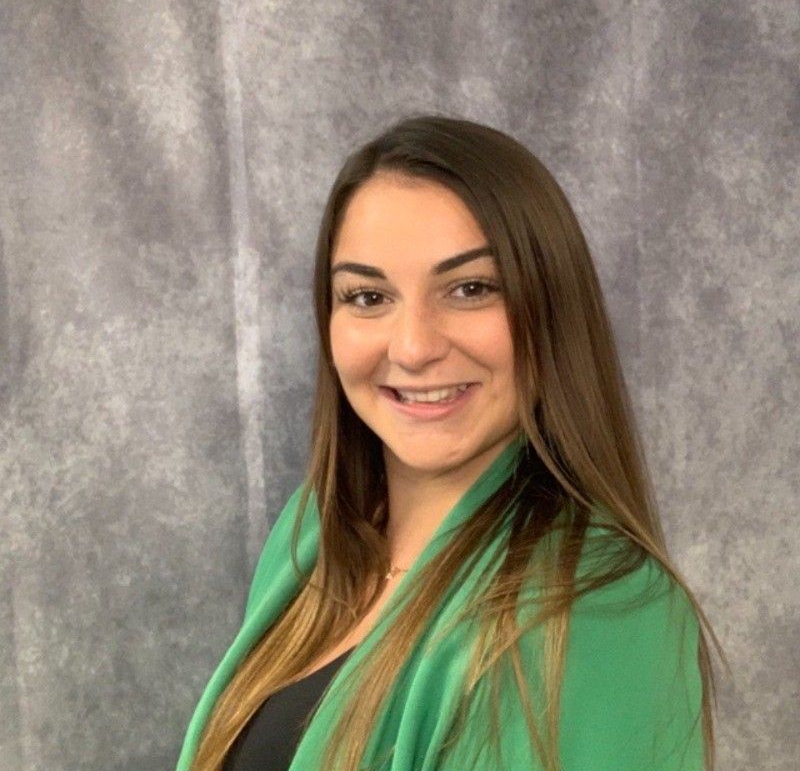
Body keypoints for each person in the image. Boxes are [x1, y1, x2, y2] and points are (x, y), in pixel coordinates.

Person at [176, 114, 724, 771]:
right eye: (368, 296)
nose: (413, 348)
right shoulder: (312, 533)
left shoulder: (606, 608)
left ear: (550, 309)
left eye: (470, 289)